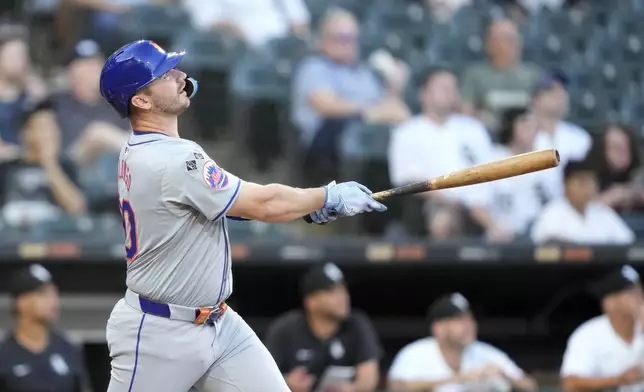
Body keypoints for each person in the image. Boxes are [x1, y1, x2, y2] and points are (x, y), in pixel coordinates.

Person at [100, 39, 386, 392]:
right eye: (164, 74)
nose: (179, 76)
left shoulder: (141, 150)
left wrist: (309, 208)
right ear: (141, 100)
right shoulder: (174, 159)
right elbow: (262, 203)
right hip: (160, 335)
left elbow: (221, 207)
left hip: (219, 325)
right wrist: (326, 195)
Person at [388, 67, 509, 242]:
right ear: (424, 94)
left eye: (453, 88)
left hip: (481, 204)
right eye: (443, 88)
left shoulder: (473, 128)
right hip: (438, 204)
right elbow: (407, 180)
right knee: (442, 217)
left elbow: (490, 171)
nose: (450, 93)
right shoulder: (408, 131)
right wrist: (453, 201)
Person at [291, 8, 409, 186]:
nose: (347, 44)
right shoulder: (314, 67)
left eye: (352, 39)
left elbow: (387, 107)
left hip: (367, 137)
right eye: (340, 38)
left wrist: (395, 86)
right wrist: (368, 113)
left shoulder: (363, 72)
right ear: (323, 40)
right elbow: (326, 105)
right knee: (344, 124)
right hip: (324, 145)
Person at [264, 263, 381, 392]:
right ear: (310, 301)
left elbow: (369, 378)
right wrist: (287, 382)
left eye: (343, 290)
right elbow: (261, 376)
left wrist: (350, 389)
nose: (343, 297)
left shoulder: (357, 325)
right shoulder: (285, 329)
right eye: (332, 292)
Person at [387, 293, 536, 392]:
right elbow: (396, 386)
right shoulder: (416, 353)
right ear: (439, 328)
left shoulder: (487, 353)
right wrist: (459, 378)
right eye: (459, 320)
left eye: (470, 319)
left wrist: (504, 376)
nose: (468, 325)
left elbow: (531, 386)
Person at [0, 264, 91, 392]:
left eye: (55, 293)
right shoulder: (4, 354)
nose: (53, 300)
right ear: (21, 302)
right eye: (43, 293)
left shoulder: (68, 349)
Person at [0, 101, 87, 228]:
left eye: (54, 128)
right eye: (44, 128)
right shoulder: (7, 168)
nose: (51, 134)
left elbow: (77, 208)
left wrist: (49, 163)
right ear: (26, 133)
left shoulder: (65, 167)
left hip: (53, 240)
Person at [561, 265, 644, 392]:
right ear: (609, 303)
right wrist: (619, 380)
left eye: (639, 292)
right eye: (630, 293)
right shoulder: (589, 334)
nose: (638, 298)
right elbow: (570, 384)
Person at [460, 18, 541, 133]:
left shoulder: (533, 75)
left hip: (528, 141)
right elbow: (465, 115)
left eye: (516, 38)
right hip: (488, 141)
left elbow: (545, 113)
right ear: (490, 44)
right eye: (507, 39)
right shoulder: (475, 75)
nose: (514, 44)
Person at [531, 159, 635, 245]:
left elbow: (627, 244)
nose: (586, 188)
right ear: (565, 185)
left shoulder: (602, 212)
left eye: (590, 181)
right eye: (581, 182)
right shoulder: (552, 214)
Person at [486, 107, 553, 237]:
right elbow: (476, 204)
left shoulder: (547, 158)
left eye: (533, 126)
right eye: (524, 125)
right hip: (504, 234)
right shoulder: (493, 159)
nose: (530, 130)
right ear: (510, 128)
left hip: (543, 234)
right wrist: (494, 226)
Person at [532, 71, 591, 197]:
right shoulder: (523, 138)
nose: (559, 95)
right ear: (535, 99)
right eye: (550, 90)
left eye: (562, 90)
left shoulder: (580, 138)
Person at [587, 124, 644, 212]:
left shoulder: (639, 173)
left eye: (626, 147)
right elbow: (584, 209)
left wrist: (633, 194)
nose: (622, 153)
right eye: (615, 147)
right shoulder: (589, 175)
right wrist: (612, 196)